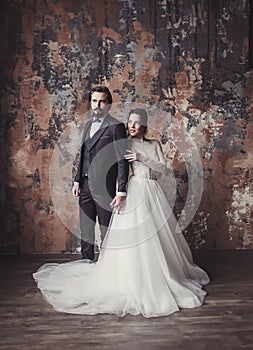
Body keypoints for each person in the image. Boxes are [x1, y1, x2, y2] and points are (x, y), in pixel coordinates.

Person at [33, 108, 210, 318]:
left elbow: (162, 168)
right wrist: (110, 188)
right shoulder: (124, 143)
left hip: (152, 191)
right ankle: (131, 279)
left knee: (158, 236)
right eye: (129, 122)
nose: (131, 126)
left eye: (136, 123)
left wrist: (141, 156)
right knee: (132, 237)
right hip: (134, 191)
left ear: (143, 124)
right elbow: (118, 168)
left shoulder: (154, 144)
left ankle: (159, 275)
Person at [72, 85, 129, 261]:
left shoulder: (116, 126)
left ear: (109, 104)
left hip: (105, 188)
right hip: (85, 186)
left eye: (102, 101)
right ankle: (86, 263)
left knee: (106, 229)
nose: (98, 105)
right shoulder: (88, 125)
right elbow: (83, 154)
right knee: (86, 229)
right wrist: (76, 180)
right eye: (94, 101)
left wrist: (121, 191)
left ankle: (107, 266)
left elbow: (122, 160)